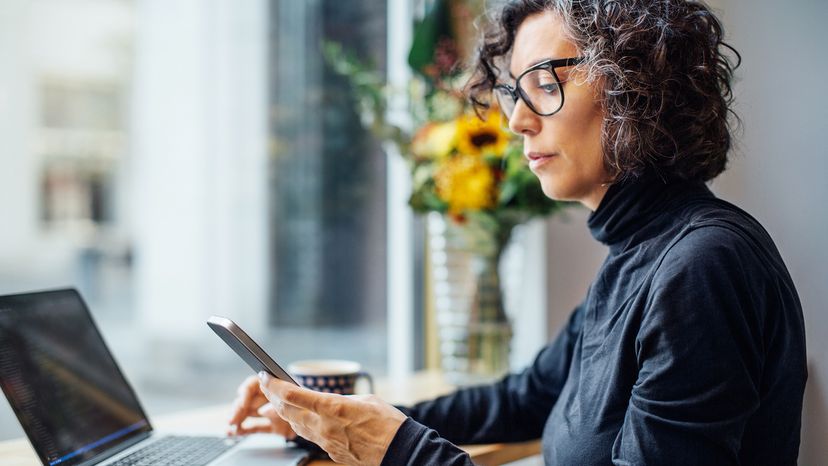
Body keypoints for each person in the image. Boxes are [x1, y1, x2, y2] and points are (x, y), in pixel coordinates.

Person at [228, 0, 807, 464]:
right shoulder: (641, 255)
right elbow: (523, 400)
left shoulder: (702, 265)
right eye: (514, 90)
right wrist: (337, 422)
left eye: (545, 82)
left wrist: (401, 450)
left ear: (638, 88)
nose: (516, 120)